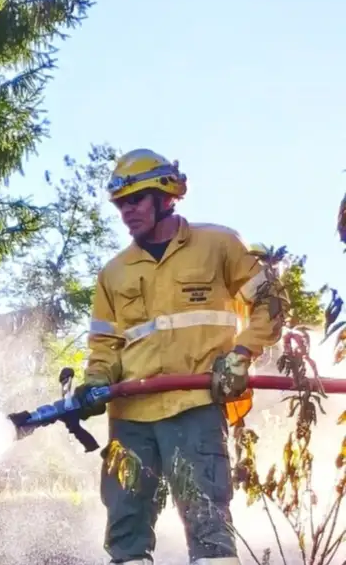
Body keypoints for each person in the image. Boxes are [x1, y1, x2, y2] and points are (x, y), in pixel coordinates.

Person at [75, 148, 286, 565]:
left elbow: (270, 302)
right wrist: (96, 381)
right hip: (131, 417)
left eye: (136, 200)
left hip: (194, 406)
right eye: (121, 204)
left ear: (165, 196)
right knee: (126, 530)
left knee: (208, 525)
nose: (127, 211)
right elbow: (105, 346)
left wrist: (242, 353)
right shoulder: (113, 272)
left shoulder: (218, 245)